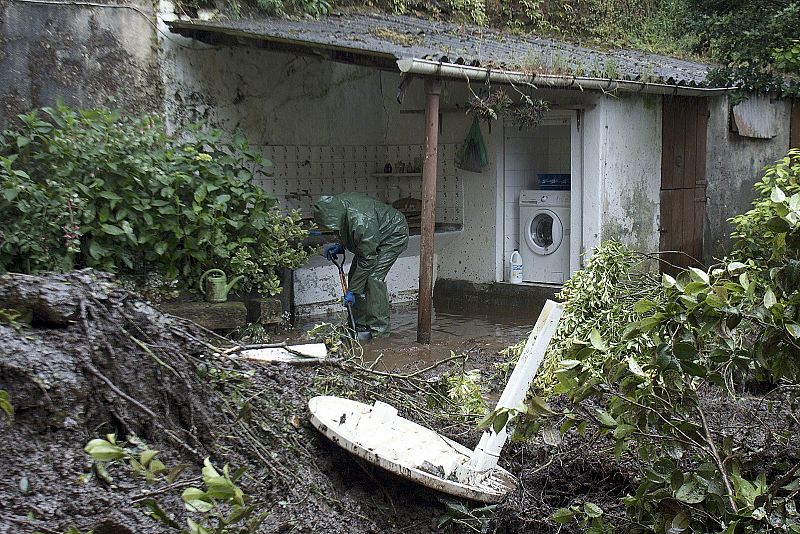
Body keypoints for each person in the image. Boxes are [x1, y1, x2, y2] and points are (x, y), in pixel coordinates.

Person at [313, 193, 409, 338]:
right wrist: (342, 244)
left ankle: (380, 332)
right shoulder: (337, 206)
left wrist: (352, 290)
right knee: (355, 277)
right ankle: (358, 325)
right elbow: (346, 229)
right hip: (372, 237)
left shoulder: (361, 221)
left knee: (373, 278)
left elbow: (369, 258)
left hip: (393, 234)